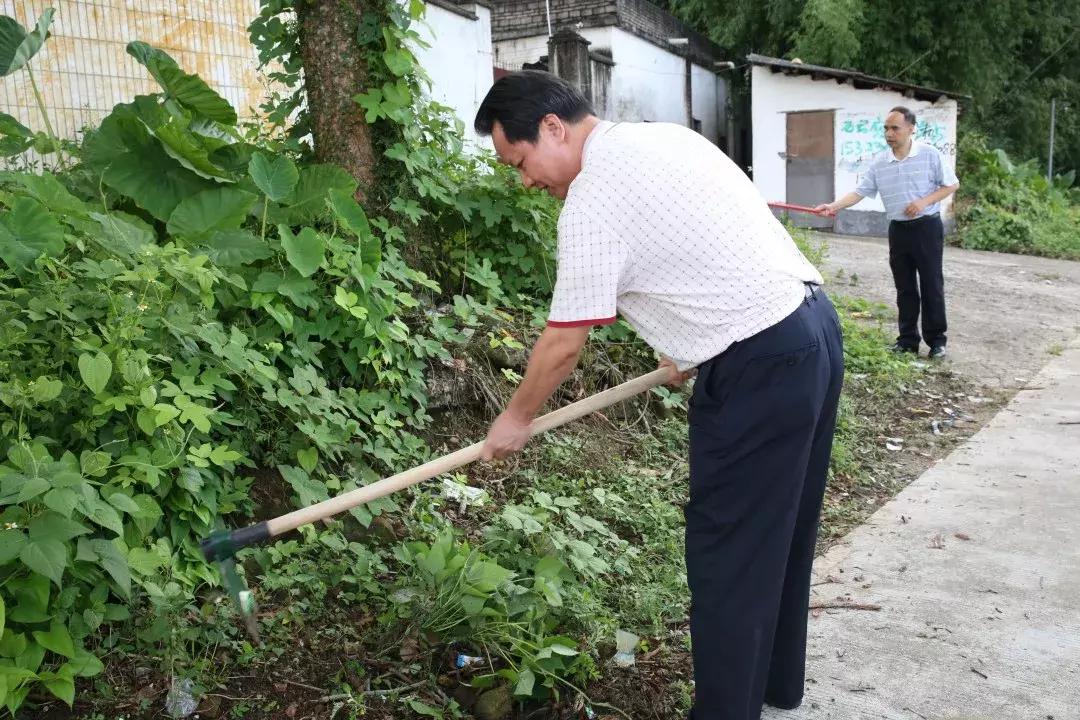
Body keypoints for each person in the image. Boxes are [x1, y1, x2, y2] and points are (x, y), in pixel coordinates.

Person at [473, 70, 844, 720]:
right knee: (780, 532)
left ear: (553, 128)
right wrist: (690, 344)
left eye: (521, 160)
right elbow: (711, 238)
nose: (525, 180)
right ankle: (774, 687)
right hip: (810, 328)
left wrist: (515, 418)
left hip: (761, 364)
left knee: (728, 553)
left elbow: (564, 341)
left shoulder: (590, 199)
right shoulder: (661, 140)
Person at [815, 106, 959, 359]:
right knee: (904, 287)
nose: (889, 133)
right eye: (886, 128)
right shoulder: (880, 162)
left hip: (926, 227)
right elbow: (860, 192)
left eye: (895, 128)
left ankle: (937, 341)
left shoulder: (929, 154)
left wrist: (923, 202)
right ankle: (907, 340)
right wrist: (833, 207)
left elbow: (951, 184)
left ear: (911, 128)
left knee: (931, 284)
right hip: (898, 229)